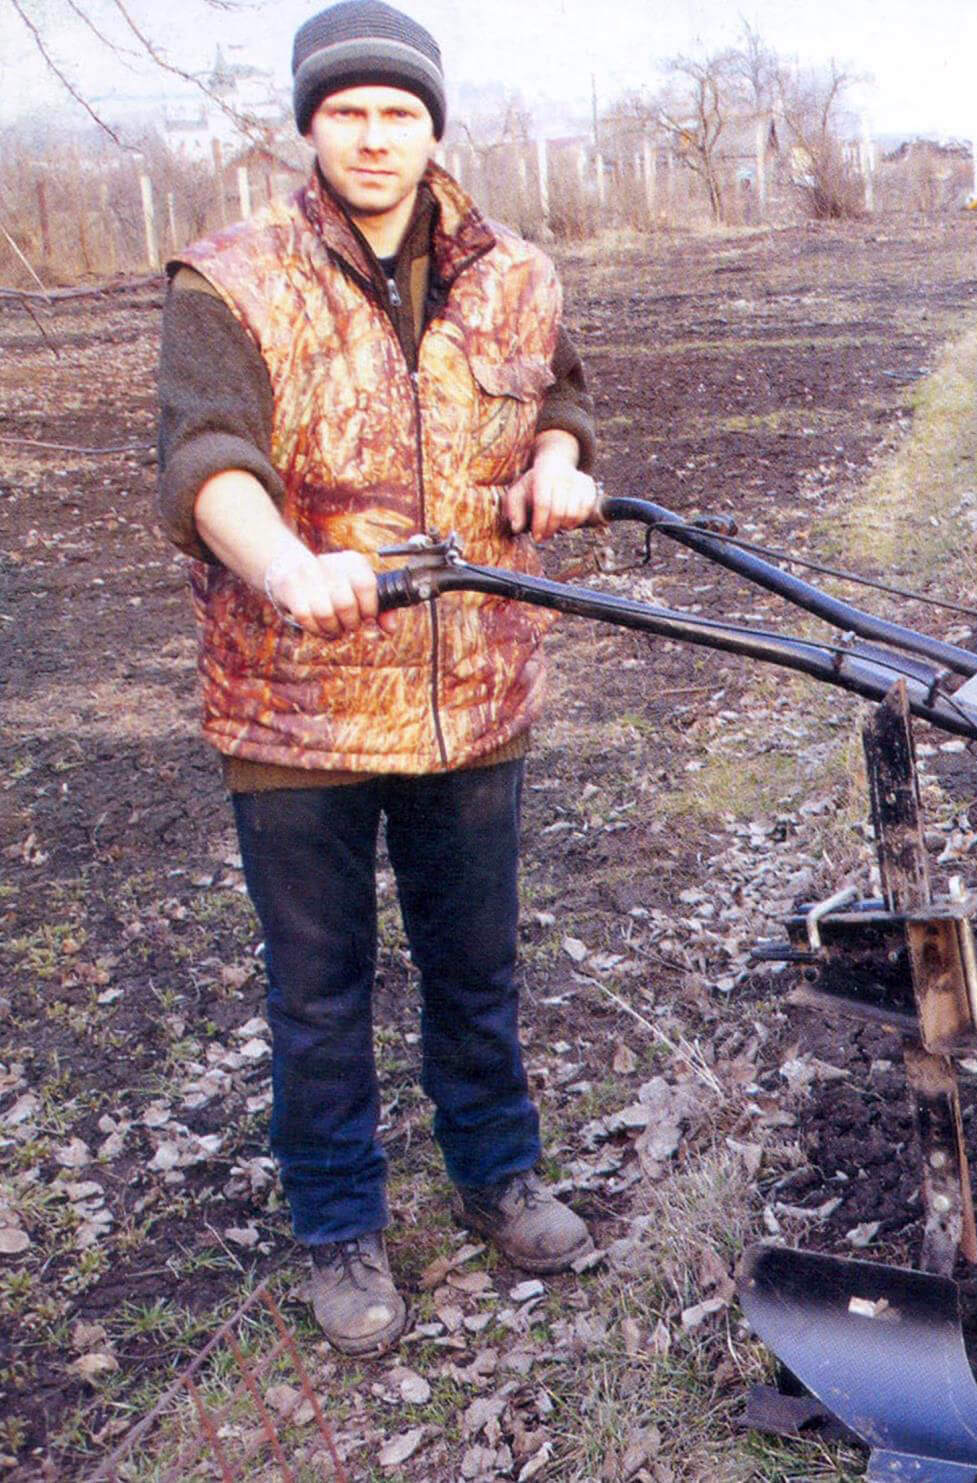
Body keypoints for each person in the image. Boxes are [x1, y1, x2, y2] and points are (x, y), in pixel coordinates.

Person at [155, 0, 600, 1357]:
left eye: (396, 111)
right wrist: (286, 565)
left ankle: (496, 1174)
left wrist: (562, 462)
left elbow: (559, 396)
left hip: (472, 689)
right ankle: (340, 1224)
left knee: (476, 966)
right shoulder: (231, 277)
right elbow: (203, 460)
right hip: (294, 702)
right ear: (307, 126)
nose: (372, 135)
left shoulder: (514, 272)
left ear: (431, 127)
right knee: (320, 986)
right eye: (346, 111)